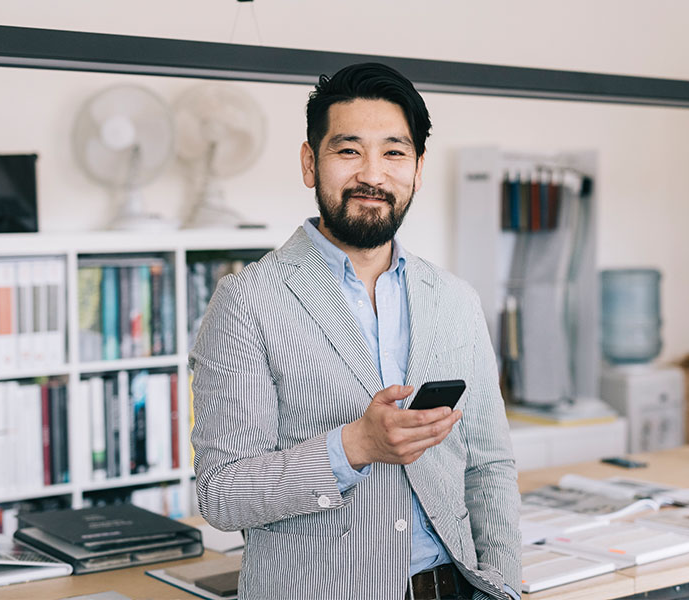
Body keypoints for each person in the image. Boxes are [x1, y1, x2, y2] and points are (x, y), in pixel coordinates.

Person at [190, 62, 521, 600]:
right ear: (310, 163)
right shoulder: (246, 301)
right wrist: (354, 446)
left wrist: (503, 586)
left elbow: (490, 466)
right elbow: (222, 493)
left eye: (394, 153)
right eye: (348, 150)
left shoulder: (455, 299)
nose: (373, 174)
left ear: (417, 168)